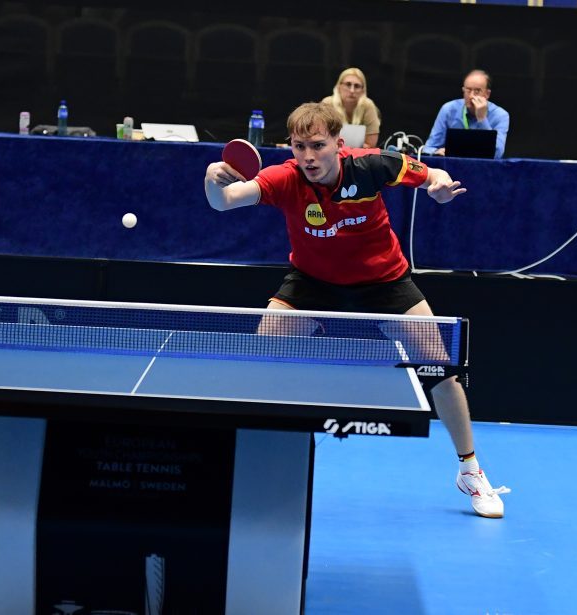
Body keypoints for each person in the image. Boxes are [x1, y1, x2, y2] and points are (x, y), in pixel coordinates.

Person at [204, 102, 510, 519]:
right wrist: (212, 180)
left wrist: (439, 187)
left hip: (383, 282)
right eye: (299, 146)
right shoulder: (286, 178)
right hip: (312, 283)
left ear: (338, 142)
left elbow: (430, 174)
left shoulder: (371, 165)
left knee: (441, 369)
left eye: (318, 145)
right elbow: (224, 202)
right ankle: (253, 462)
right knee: (263, 354)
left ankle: (470, 471)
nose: (308, 157)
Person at [423, 69, 509, 158]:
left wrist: (482, 119)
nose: (471, 96)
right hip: (452, 164)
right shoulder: (449, 109)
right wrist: (436, 152)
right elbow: (428, 147)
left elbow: (497, 155)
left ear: (487, 94)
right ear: (463, 90)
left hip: (483, 165)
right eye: (468, 90)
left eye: (477, 91)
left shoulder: (500, 115)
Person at [322, 67, 381, 148]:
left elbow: (371, 145)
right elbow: (320, 136)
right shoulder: (327, 103)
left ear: (363, 90)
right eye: (348, 84)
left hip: (359, 154)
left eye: (357, 86)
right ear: (339, 86)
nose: (352, 90)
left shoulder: (368, 106)